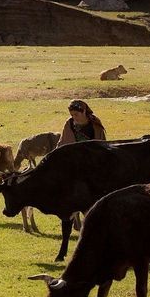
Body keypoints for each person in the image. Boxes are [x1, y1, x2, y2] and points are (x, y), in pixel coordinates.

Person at [56, 99, 106, 231]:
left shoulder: (95, 125)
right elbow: (63, 143)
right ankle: (76, 220)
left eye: (76, 114)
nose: (74, 117)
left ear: (84, 111)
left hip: (92, 165)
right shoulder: (69, 124)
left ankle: (92, 221)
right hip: (74, 165)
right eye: (72, 115)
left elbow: (102, 145)